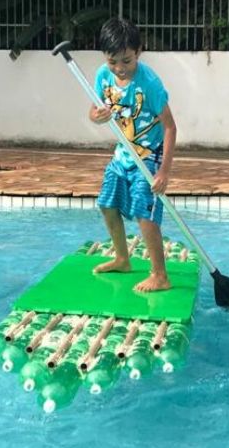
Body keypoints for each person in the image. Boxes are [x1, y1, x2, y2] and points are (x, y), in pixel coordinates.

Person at [87, 17, 178, 292]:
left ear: (139, 52)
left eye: (127, 61)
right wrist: (98, 116)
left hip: (149, 155)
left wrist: (163, 171)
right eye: (113, 61)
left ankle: (160, 275)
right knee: (106, 203)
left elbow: (171, 127)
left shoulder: (149, 83)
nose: (120, 68)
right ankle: (122, 258)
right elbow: (93, 112)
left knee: (144, 213)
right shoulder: (103, 75)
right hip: (123, 153)